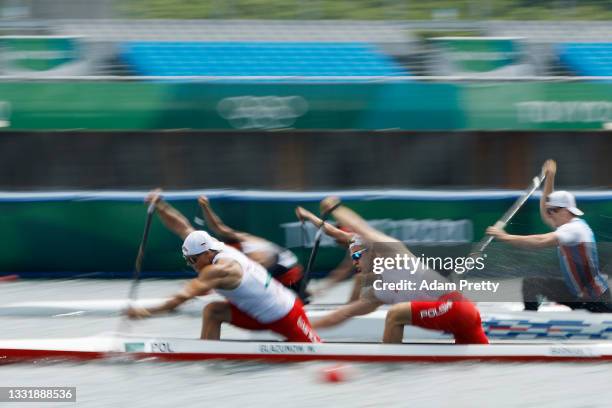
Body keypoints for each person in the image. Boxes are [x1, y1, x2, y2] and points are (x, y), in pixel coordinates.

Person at [310, 197, 489, 345]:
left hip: (459, 309)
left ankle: (388, 364)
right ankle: (390, 357)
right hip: (461, 321)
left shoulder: (397, 257)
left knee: (396, 314)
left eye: (358, 256)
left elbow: (360, 228)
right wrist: (303, 326)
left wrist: (335, 208)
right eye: (353, 257)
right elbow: (341, 315)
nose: (355, 262)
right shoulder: (378, 293)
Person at [127, 229, 320, 343]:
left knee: (317, 352)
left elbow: (180, 299)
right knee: (213, 311)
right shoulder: (219, 248)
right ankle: (207, 354)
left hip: (287, 314)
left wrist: (146, 311)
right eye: (188, 261)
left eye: (192, 260)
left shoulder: (218, 269)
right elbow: (182, 226)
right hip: (260, 315)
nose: (192, 265)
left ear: (206, 254)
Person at [486, 159, 612, 313]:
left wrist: (504, 237)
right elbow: (545, 213)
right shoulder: (566, 224)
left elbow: (541, 241)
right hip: (576, 293)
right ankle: (529, 321)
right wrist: (550, 177)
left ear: (565, 210)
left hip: (596, 299)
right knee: (532, 283)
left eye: (553, 211)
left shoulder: (574, 230)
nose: (549, 215)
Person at [142, 189, 308, 301]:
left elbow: (251, 279)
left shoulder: (252, 251)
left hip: (291, 282)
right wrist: (160, 206)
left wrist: (208, 286)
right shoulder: (223, 245)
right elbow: (190, 228)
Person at [199, 195, 307, 300]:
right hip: (282, 270)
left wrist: (206, 207)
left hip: (289, 273)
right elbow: (218, 227)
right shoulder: (237, 247)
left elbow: (218, 227)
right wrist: (205, 207)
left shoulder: (248, 247)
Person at [295, 206, 362, 302]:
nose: (338, 244)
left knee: (359, 279)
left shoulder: (356, 240)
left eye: (338, 240)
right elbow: (343, 271)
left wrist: (307, 215)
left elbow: (327, 229)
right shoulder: (356, 247)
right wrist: (322, 287)